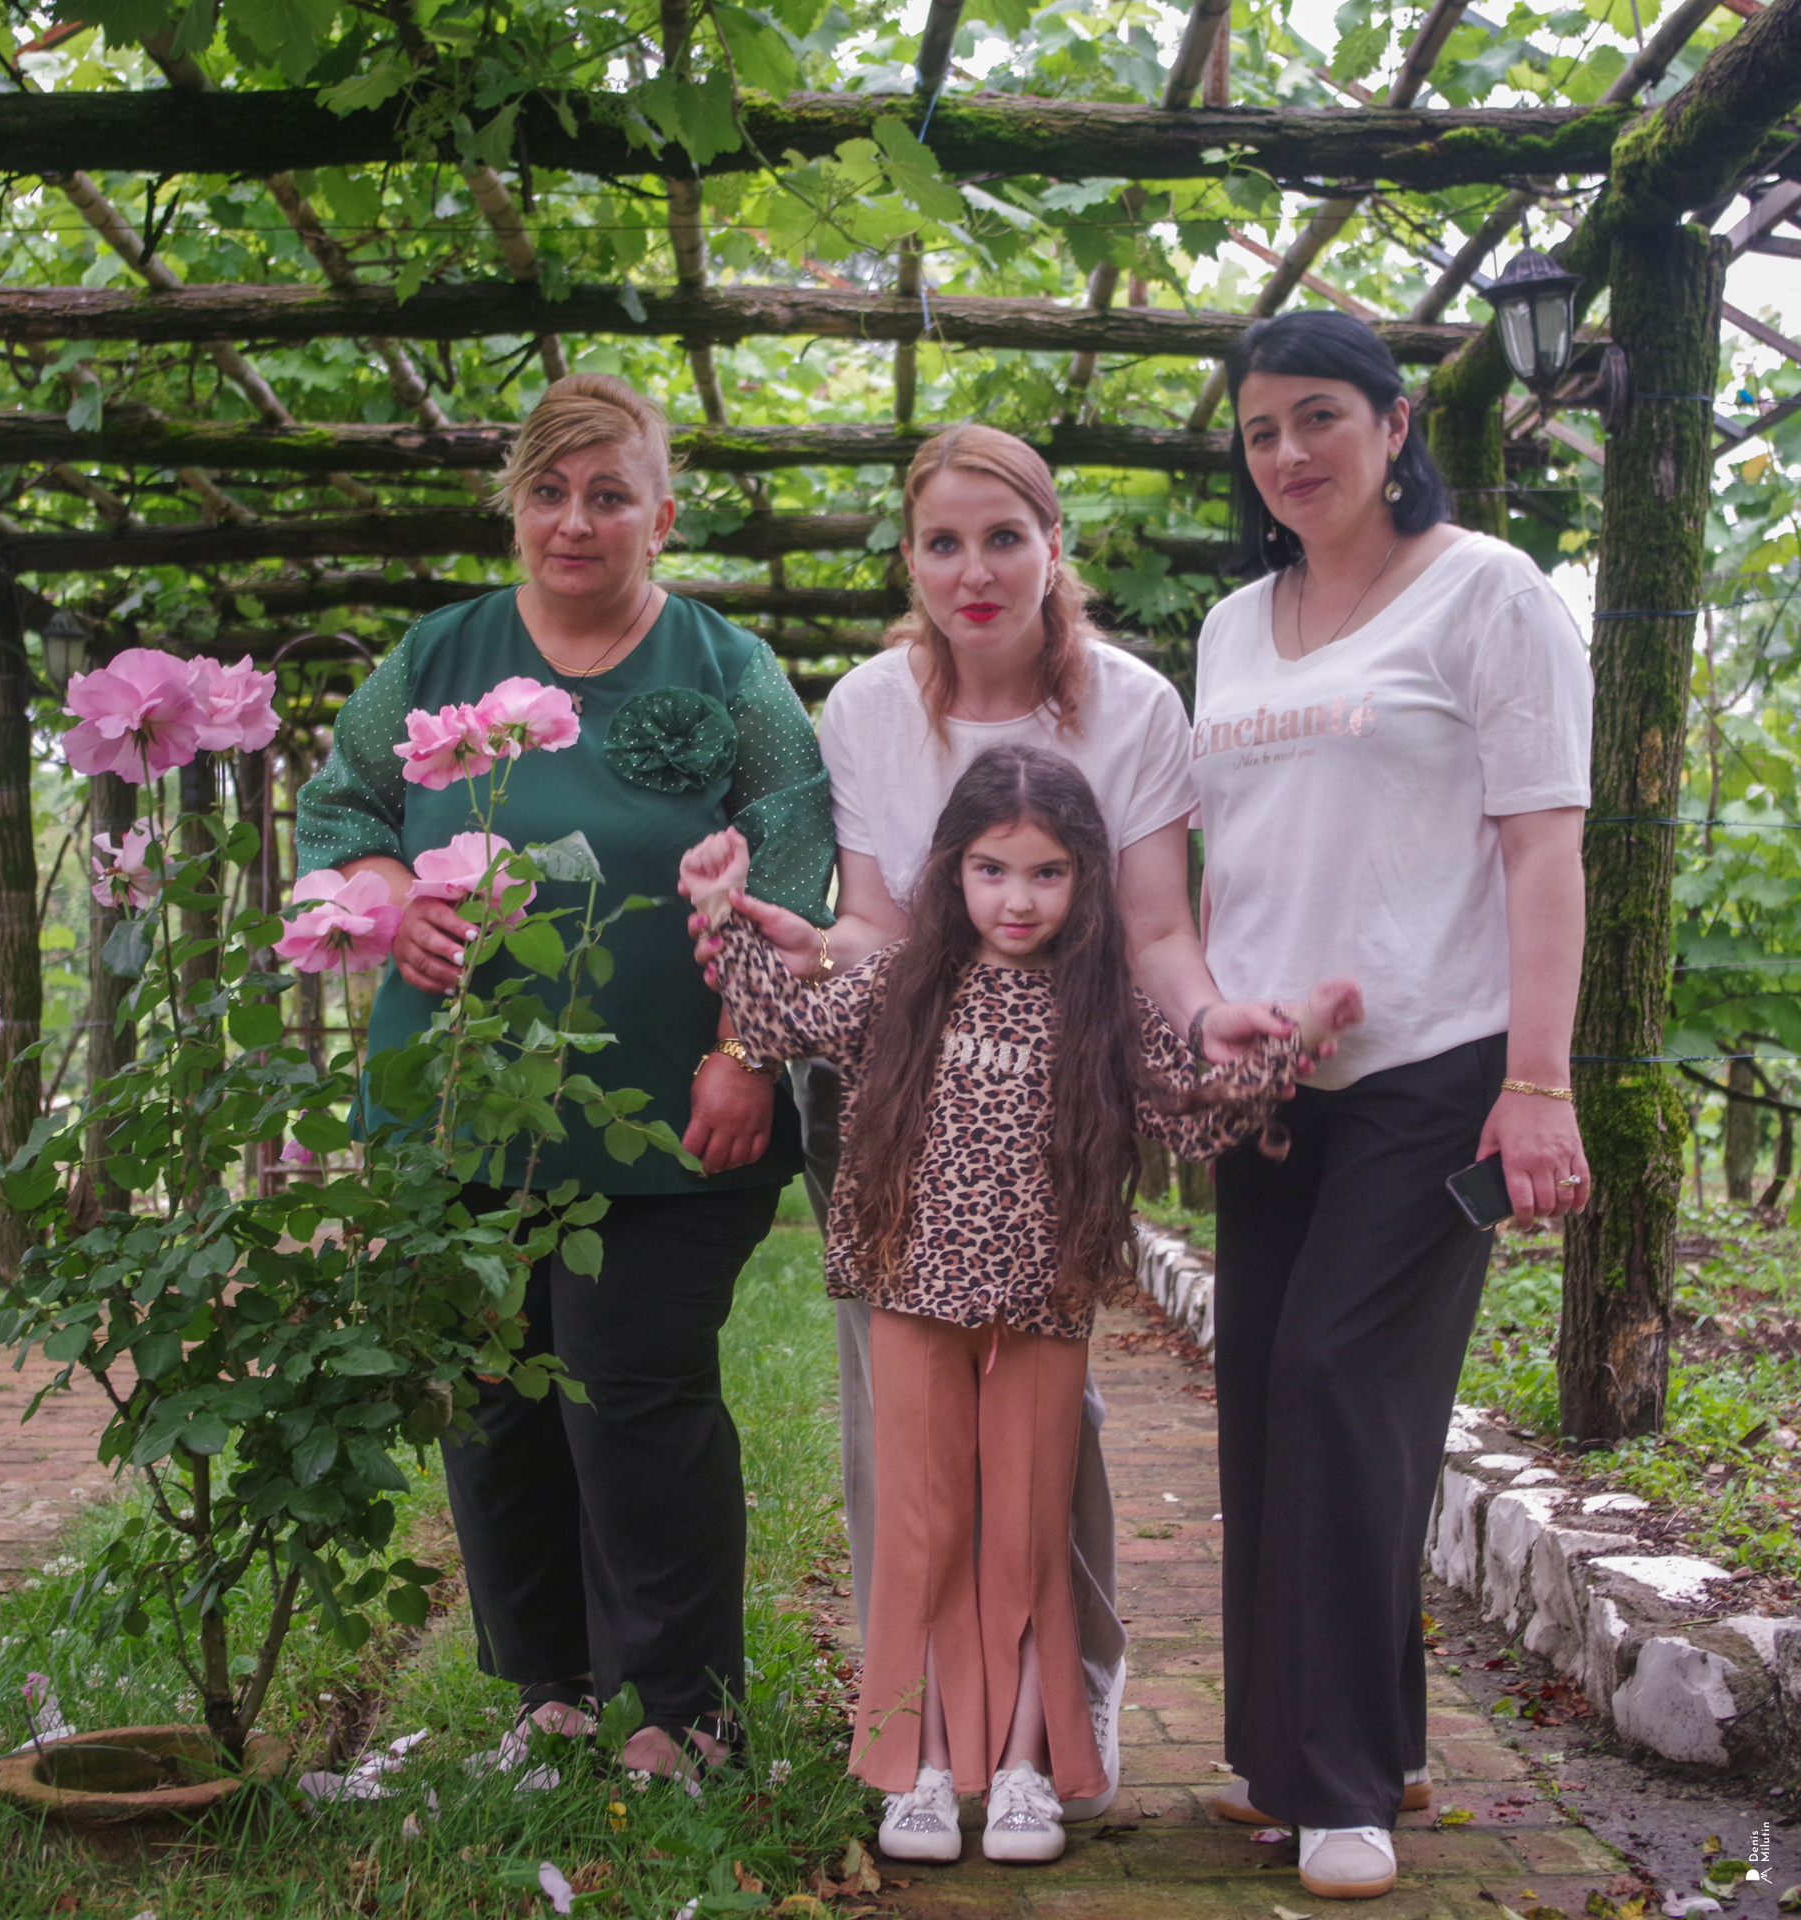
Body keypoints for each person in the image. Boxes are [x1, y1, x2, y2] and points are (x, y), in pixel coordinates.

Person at [689, 422, 1278, 1817]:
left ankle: (1057, 1702)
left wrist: (1204, 1033)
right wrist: (801, 954)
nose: (975, 571)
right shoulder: (866, 708)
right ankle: (919, 1734)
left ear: (1052, 547)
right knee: (902, 1441)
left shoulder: (1132, 705)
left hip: (1059, 1103)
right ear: (910, 557)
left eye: (1004, 538)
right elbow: (879, 933)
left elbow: (1153, 929)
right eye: (943, 543)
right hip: (905, 1115)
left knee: (1045, 1430)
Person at [292, 372, 836, 1783]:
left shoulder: (732, 671)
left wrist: (747, 1054)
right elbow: (340, 809)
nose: (575, 522)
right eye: (548, 492)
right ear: (515, 509)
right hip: (456, 1104)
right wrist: (391, 894)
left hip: (674, 1109)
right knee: (493, 1395)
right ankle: (550, 1689)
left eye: (608, 495)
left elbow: (793, 860)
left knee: (631, 1382)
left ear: (663, 515)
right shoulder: (438, 656)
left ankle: (682, 1708)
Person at [679, 745, 1336, 1863]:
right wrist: (717, 908)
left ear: (1085, 879)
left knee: (1029, 1533)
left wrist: (1292, 1047)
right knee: (924, 1529)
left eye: (1046, 873)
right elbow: (782, 1023)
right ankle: (924, 1769)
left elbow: (1189, 1113)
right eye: (992, 870)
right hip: (910, 1289)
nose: (1017, 899)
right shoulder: (902, 980)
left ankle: (1027, 1767)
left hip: (1044, 1299)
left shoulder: (1105, 1002)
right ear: (951, 870)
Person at [1183, 310, 1594, 1900]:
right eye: (1261, 429)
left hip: (1436, 1066)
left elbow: (1543, 847)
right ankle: (1314, 1752)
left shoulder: (1491, 593)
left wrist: (1539, 1082)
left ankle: (1342, 1786)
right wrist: (1215, 1029)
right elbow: (1234, 858)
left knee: (1342, 1383)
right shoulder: (1233, 626)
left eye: (1320, 417)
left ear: (1396, 423)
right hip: (1271, 1080)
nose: (1289, 453)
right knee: (1264, 1399)